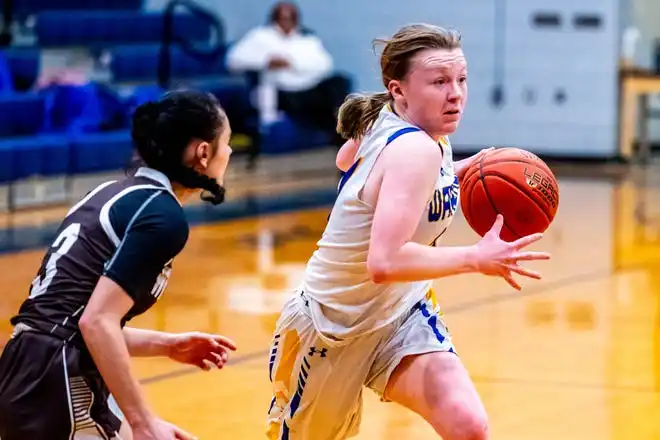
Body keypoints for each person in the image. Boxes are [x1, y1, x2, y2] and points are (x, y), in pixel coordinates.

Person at [265, 24, 551, 440]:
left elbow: (351, 163)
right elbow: (384, 262)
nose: (455, 93)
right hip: (332, 326)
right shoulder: (414, 148)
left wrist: (459, 170)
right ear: (398, 90)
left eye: (461, 79)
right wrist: (476, 257)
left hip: (400, 314)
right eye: (439, 82)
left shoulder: (413, 127)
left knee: (468, 426)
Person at [0, 90, 237, 440]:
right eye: (227, 142)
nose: (230, 152)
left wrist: (168, 346)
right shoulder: (163, 215)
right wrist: (143, 422)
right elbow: (95, 322)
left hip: (30, 363)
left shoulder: (112, 192)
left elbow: (73, 321)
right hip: (58, 377)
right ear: (204, 152)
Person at [226, 2, 350, 153]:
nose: (286, 21)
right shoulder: (260, 36)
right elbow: (233, 60)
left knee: (340, 82)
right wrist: (266, 61)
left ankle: (344, 132)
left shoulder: (306, 39)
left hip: (309, 88)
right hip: (282, 91)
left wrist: (292, 63)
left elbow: (325, 65)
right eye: (282, 18)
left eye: (290, 18)